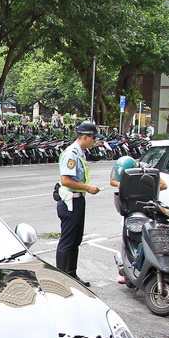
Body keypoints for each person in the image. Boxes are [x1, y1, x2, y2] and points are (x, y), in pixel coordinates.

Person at [55, 121, 101, 287]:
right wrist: (88, 187)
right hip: (70, 201)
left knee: (76, 239)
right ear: (85, 137)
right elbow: (66, 180)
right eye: (93, 138)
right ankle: (61, 278)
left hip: (78, 199)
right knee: (67, 240)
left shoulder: (80, 153)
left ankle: (71, 274)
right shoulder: (71, 154)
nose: (94, 141)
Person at [110, 155, 167, 284]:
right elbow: (113, 181)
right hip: (130, 208)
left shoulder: (146, 170)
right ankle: (126, 270)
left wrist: (141, 186)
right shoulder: (122, 169)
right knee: (127, 237)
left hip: (146, 208)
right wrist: (125, 185)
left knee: (146, 238)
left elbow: (163, 185)